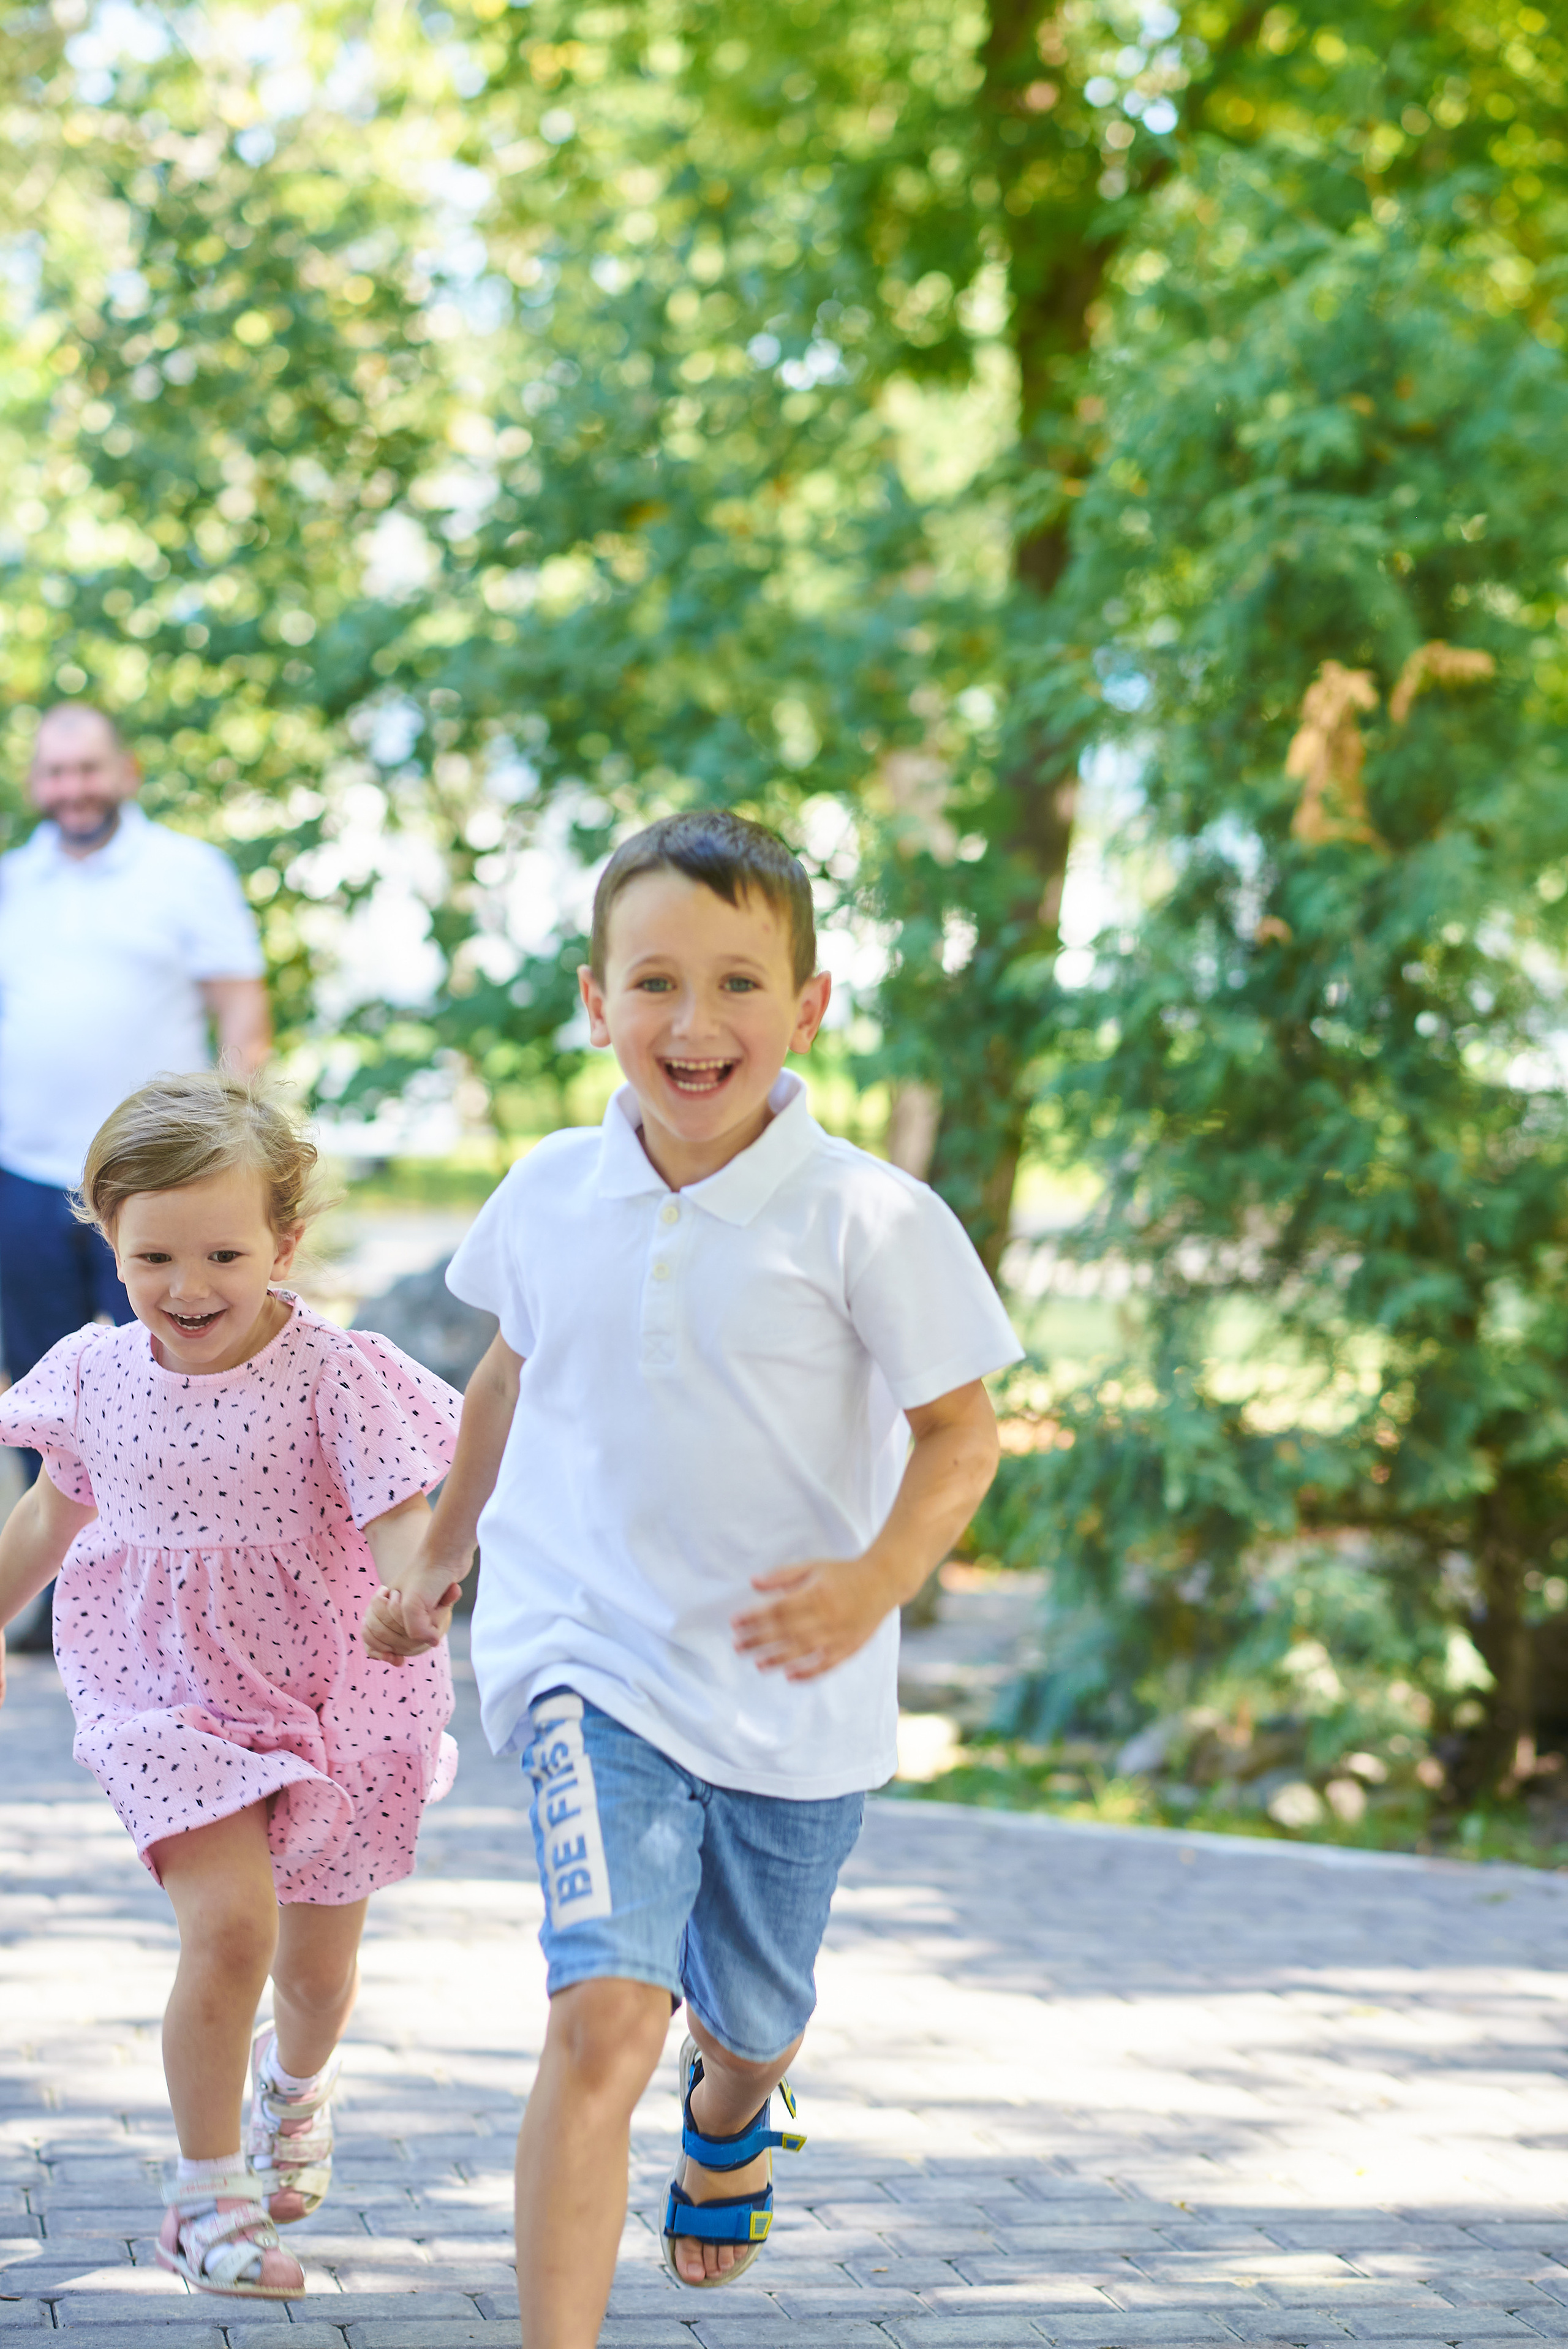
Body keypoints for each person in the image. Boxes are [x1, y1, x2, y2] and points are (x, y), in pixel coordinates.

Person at [363, 811, 1022, 2349]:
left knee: (754, 2013)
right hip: (587, 1657)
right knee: (602, 2015)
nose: (692, 1022)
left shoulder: (867, 1215)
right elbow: (505, 1379)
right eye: (652, 982)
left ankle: (732, 2109)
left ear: (807, 1008)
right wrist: (442, 1555)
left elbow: (958, 1438)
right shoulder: (542, 1188)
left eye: (737, 984)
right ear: (595, 1003)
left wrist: (872, 1587)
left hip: (796, 1698)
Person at [0, 1073, 465, 2300]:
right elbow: (49, 1521)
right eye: (153, 1255)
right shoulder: (96, 1375)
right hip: (160, 1689)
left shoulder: (336, 1376)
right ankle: (206, 2204)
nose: (189, 1287)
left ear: (284, 1243)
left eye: (223, 1253)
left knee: (314, 1980)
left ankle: (296, 2086)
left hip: (333, 1687)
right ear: (107, 1236)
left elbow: (406, 1530)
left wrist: (415, 1598)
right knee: (233, 1930)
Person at [0, 704, 269, 1628]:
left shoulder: (188, 872)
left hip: (163, 1193)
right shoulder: (12, 882)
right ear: (37, 784)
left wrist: (236, 1151)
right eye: (55, 773)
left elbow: (242, 1008)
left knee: (184, 1374)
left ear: (128, 770)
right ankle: (63, 1592)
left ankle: (197, 1582)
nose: (72, 789)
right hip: (26, 1175)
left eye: (89, 769)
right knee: (47, 1394)